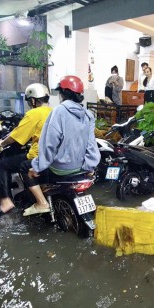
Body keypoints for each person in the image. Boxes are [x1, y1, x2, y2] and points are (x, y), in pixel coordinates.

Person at [20, 75, 100, 216]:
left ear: (62, 94)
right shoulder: (88, 115)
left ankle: (41, 203)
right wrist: (91, 166)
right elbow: (91, 144)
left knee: (25, 167)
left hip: (61, 169)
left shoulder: (59, 111)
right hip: (82, 167)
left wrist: (37, 166)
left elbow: (49, 145)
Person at [0, 83, 52, 221]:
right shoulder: (53, 111)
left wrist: (2, 142)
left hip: (38, 155)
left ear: (33, 100)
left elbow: (17, 136)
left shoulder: (33, 113)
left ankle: (6, 201)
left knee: (2, 164)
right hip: (53, 155)